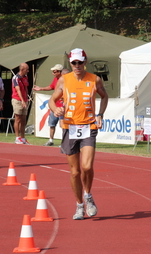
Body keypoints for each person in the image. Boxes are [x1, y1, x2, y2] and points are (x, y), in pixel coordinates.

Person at [48, 48, 108, 220]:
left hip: (89, 126)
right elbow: (52, 100)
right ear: (70, 63)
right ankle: (79, 205)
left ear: (85, 61)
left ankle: (88, 196)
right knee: (74, 172)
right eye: (74, 63)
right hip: (70, 128)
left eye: (80, 62)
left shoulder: (95, 79)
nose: (77, 65)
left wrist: (100, 115)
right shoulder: (63, 80)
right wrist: (56, 109)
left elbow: (104, 96)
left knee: (87, 167)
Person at [33, 64, 67, 146]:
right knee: (52, 124)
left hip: (63, 107)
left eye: (54, 72)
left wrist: (64, 98)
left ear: (60, 72)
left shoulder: (66, 80)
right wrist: (41, 88)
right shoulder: (55, 79)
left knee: (63, 125)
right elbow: (51, 87)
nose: (53, 73)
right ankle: (51, 140)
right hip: (54, 106)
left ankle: (64, 142)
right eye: (53, 72)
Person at [12, 62, 30, 145]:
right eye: (27, 69)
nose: (28, 71)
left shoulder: (25, 77)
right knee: (18, 118)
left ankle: (23, 138)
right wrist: (22, 100)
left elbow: (26, 87)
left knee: (23, 119)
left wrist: (26, 98)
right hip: (17, 100)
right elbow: (18, 90)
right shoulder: (15, 78)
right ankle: (17, 137)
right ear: (22, 69)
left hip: (24, 100)